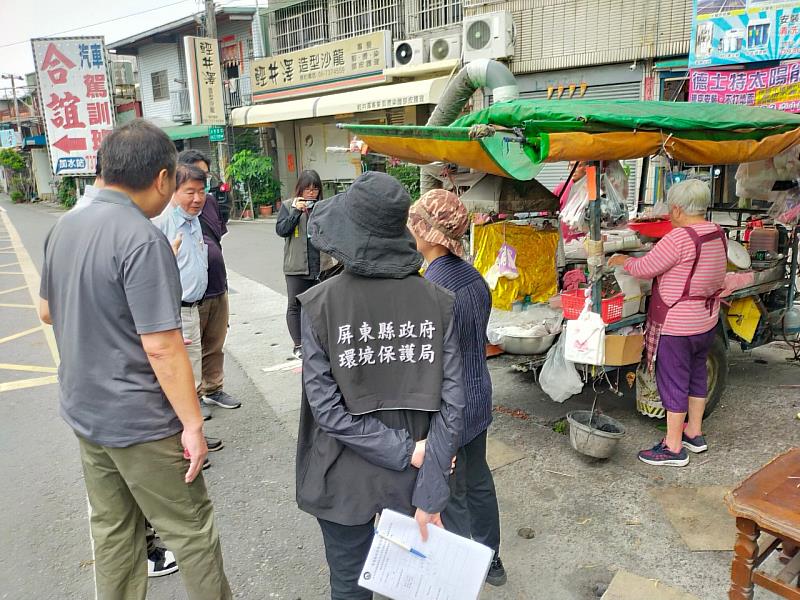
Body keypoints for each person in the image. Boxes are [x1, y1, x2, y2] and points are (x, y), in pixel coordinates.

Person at [38, 119, 231, 599]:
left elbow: (45, 310)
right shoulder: (142, 239)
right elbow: (162, 346)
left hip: (86, 412)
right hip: (141, 420)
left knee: (113, 530)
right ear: (163, 178)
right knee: (191, 530)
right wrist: (192, 424)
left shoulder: (66, 224)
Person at [295, 172, 465, 600]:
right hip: (415, 473)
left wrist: (406, 453)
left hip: (342, 477)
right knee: (415, 585)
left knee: (349, 585)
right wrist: (427, 478)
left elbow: (328, 411)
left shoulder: (318, 306)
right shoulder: (438, 301)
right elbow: (454, 402)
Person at [408, 188, 507, 587]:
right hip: (478, 395)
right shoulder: (474, 278)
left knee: (454, 488)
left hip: (449, 406)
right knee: (479, 478)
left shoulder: (430, 289)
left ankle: (464, 566)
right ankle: (492, 559)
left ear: (429, 234)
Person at [608, 179, 727, 467]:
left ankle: (673, 448)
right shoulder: (717, 233)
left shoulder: (679, 238)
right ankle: (694, 434)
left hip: (677, 325)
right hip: (706, 320)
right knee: (696, 377)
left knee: (673, 383)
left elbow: (645, 268)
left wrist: (622, 260)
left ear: (676, 208)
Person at [177, 150, 241, 412]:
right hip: (190, 295)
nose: (198, 196)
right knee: (190, 350)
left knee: (215, 343)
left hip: (217, 284)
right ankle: (192, 398)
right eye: (192, 186)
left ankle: (213, 389)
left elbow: (216, 239)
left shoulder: (209, 204)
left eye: (203, 182)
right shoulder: (171, 215)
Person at [275, 169, 325, 359]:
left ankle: (319, 341)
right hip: (296, 266)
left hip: (321, 265)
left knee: (319, 305)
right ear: (300, 190)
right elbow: (282, 230)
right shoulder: (289, 206)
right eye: (307, 189)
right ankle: (298, 344)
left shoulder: (323, 207)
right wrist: (297, 211)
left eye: (315, 189)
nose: (311, 193)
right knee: (294, 305)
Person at [554, 161, 587, 243]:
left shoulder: (592, 189)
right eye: (571, 165)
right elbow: (546, 211)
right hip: (564, 241)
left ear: (587, 168)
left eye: (578, 166)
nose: (574, 169)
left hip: (585, 241)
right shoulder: (561, 188)